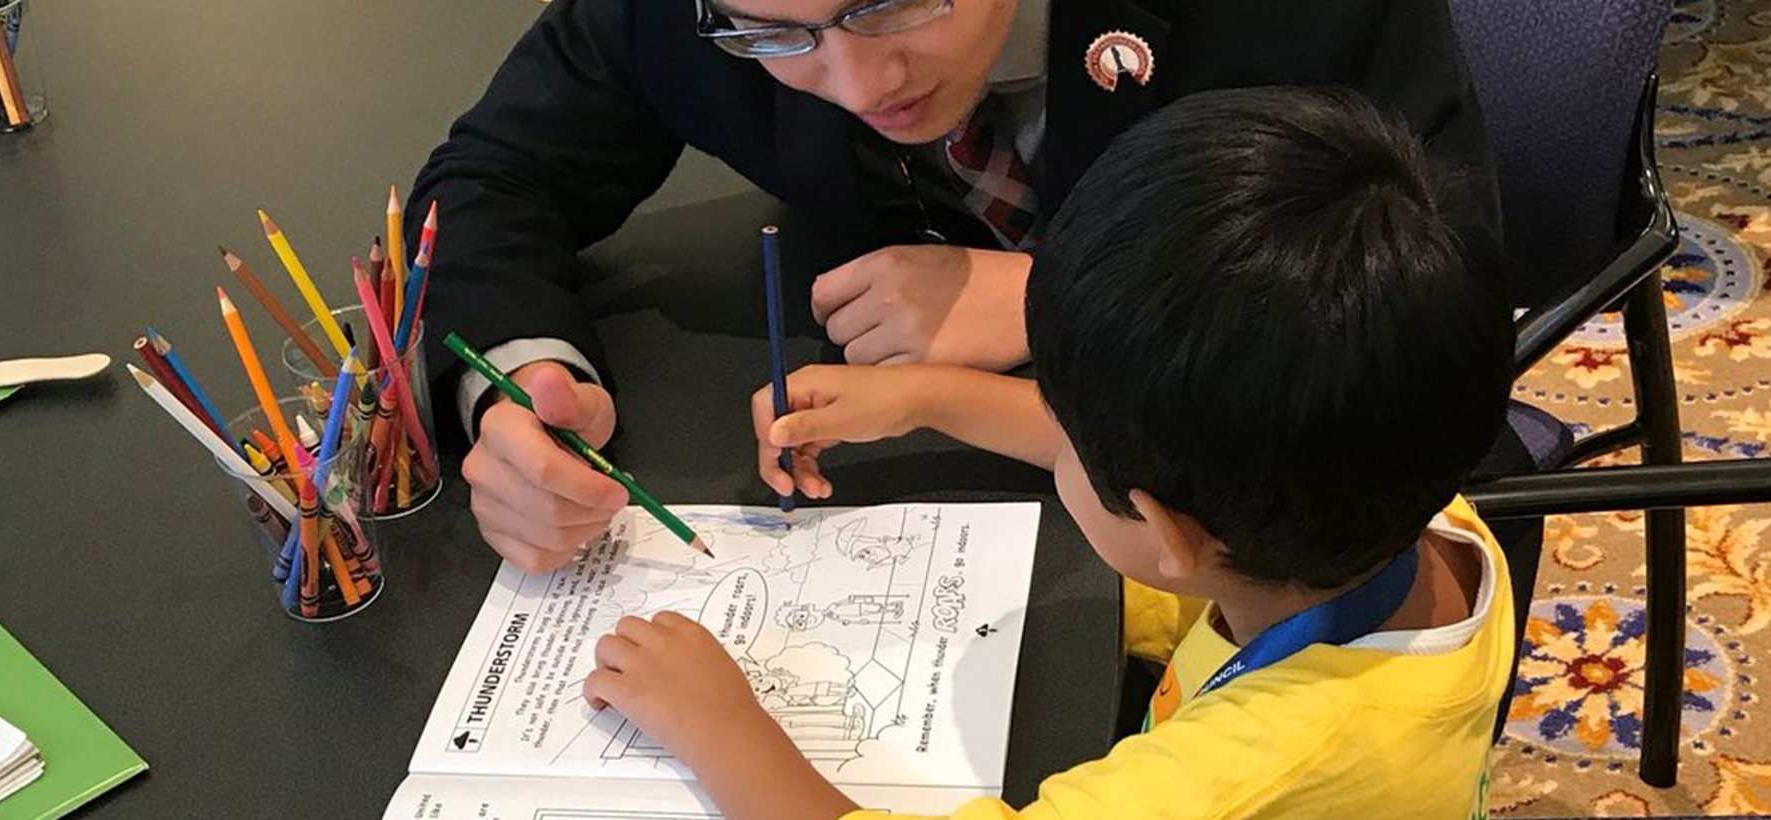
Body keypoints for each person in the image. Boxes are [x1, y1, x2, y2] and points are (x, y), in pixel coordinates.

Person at [581, 87, 1518, 819]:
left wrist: (719, 727)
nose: (1050, 433)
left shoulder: (1229, 783)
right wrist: (924, 397)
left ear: (1167, 532)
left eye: (1066, 438)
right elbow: (1164, 465)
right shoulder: (1408, 492)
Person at [408, 0, 1499, 572]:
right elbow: (494, 177)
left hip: (1265, 486)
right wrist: (519, 380)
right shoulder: (678, 13)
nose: (856, 82)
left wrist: (1051, 297)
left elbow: (1438, 257)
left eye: (894, 1)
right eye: (772, 37)